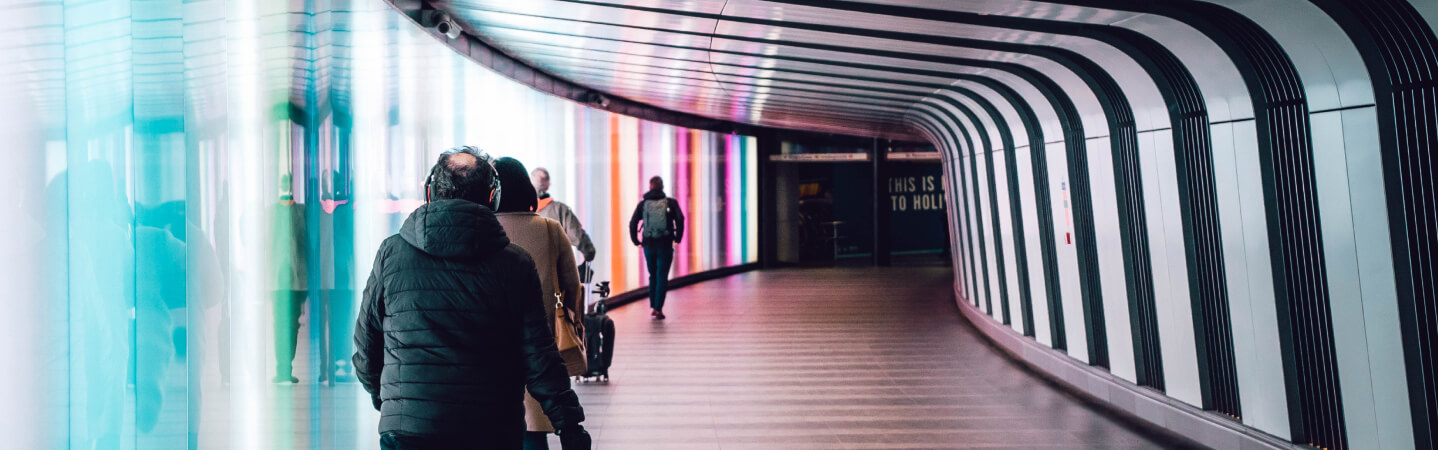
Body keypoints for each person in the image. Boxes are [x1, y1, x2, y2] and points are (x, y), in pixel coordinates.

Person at [353, 146, 591, 449]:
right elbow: (539, 354)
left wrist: (389, 398)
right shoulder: (515, 263)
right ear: (493, 198)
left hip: (408, 429)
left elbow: (366, 342)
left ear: (429, 193)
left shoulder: (391, 253)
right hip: (491, 427)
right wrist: (569, 424)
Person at [496, 158, 583, 450]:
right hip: (542, 342)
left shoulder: (480, 230)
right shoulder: (549, 229)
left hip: (489, 345)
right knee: (533, 431)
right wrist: (575, 329)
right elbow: (572, 289)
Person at [628, 176, 685, 320]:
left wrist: (636, 240)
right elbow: (680, 219)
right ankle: (658, 308)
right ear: (662, 187)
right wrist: (677, 238)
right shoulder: (671, 203)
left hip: (648, 244)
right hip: (665, 244)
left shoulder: (643, 204)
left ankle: (653, 304)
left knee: (653, 274)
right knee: (662, 276)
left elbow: (633, 222)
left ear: (650, 187)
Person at [531, 167, 596, 263]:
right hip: (554, 271)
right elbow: (577, 236)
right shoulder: (561, 210)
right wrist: (589, 253)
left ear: (530, 185)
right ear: (548, 185)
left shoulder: (521, 212)